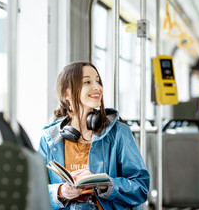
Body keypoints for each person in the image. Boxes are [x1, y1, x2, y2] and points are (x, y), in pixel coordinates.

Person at [38, 62, 150, 209]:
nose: (97, 87)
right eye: (87, 82)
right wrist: (60, 191)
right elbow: (36, 190)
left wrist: (107, 185)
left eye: (98, 81)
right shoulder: (49, 140)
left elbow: (140, 188)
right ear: (67, 94)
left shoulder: (119, 133)